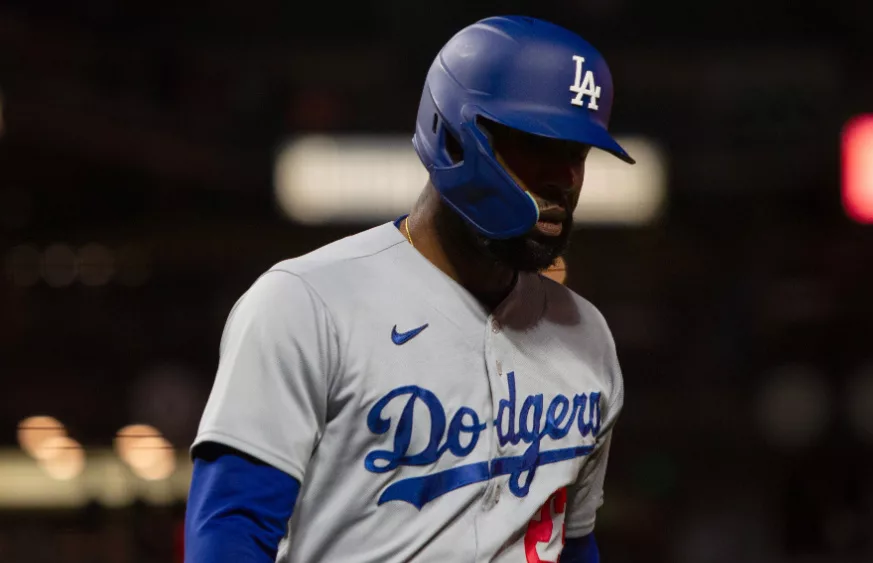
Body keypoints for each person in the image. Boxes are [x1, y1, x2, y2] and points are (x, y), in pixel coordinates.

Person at [184, 15, 634, 563]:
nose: (564, 177)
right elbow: (232, 530)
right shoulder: (305, 303)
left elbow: (575, 541)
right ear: (452, 136)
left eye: (578, 153)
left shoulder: (586, 334)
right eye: (536, 142)